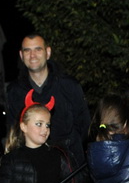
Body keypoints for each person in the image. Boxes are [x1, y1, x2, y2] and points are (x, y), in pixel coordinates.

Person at [6, 34, 90, 167]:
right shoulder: (14, 92)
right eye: (27, 50)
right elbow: (12, 130)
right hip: (32, 167)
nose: (32, 55)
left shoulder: (69, 86)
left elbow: (84, 125)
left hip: (69, 168)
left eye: (38, 49)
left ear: (48, 52)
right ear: (21, 56)